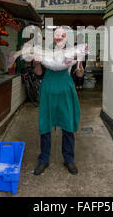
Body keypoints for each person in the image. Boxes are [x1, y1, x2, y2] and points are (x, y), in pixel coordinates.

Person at [32, 27, 84, 175]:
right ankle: (44, 159)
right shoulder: (46, 50)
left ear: (66, 37)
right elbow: (39, 73)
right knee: (45, 124)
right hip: (48, 91)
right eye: (56, 36)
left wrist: (80, 63)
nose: (59, 39)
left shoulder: (72, 51)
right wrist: (36, 63)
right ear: (53, 38)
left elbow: (80, 74)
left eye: (62, 36)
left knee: (68, 124)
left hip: (65, 92)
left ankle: (69, 159)